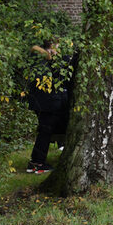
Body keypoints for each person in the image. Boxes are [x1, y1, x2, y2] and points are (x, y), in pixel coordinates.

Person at [26, 38, 74, 174]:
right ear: (52, 46)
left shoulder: (37, 58)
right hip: (48, 102)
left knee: (44, 131)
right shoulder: (51, 60)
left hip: (39, 102)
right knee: (45, 133)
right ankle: (39, 163)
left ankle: (34, 162)